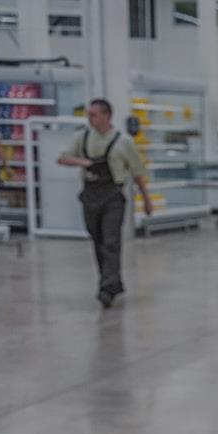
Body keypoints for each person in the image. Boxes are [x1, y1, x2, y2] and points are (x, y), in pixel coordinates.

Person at [57, 99, 153, 308]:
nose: (90, 118)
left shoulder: (123, 142)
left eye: (94, 114)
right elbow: (62, 158)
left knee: (111, 241)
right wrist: (82, 162)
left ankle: (107, 288)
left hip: (113, 196)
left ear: (107, 116)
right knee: (98, 240)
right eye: (89, 114)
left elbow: (137, 173)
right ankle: (111, 282)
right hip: (90, 193)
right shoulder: (81, 138)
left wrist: (146, 200)